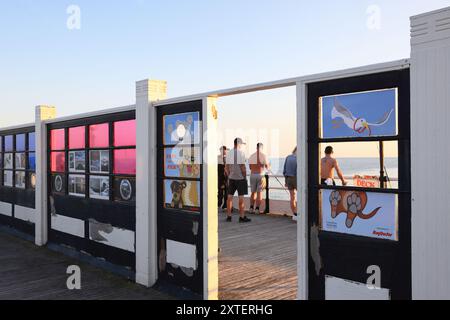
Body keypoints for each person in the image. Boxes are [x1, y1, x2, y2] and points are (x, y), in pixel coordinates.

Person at [225, 138, 251, 223]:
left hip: (231, 178)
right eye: (242, 144)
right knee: (241, 198)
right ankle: (242, 217)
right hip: (240, 179)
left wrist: (229, 175)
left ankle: (229, 216)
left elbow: (226, 167)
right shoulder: (241, 153)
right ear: (239, 144)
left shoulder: (229, 153)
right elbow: (242, 167)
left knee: (229, 197)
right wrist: (244, 177)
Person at [248, 143, 270, 214]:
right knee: (259, 193)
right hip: (260, 175)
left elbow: (250, 167)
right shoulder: (263, 156)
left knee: (253, 192)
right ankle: (257, 209)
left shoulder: (251, 156)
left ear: (256, 147)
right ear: (262, 148)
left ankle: (251, 208)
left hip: (252, 175)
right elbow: (267, 167)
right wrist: (268, 165)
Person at [283, 147, 298, 217]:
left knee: (292, 197)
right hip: (296, 179)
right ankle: (300, 213)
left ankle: (294, 213)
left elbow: (284, 170)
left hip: (288, 179)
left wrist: (286, 181)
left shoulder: (288, 157)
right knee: (301, 197)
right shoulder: (299, 158)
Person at [218, 146, 228, 211]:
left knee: (226, 191)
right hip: (220, 176)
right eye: (222, 150)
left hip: (226, 177)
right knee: (220, 191)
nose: (224, 151)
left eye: (224, 150)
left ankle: (225, 205)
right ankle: (219, 204)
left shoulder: (228, 158)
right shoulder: (218, 158)